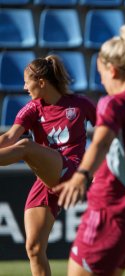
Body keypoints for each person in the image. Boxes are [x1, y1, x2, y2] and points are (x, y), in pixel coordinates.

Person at [52, 25, 125, 276]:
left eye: (101, 73)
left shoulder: (113, 103)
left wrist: (82, 175)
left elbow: (102, 142)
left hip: (110, 212)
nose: (101, 80)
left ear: (112, 70)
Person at [0, 55, 96, 276]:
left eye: (27, 81)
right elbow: (8, 139)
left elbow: (107, 133)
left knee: (26, 146)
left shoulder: (80, 104)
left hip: (70, 170)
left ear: (41, 81)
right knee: (33, 248)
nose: (24, 87)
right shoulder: (33, 108)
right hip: (46, 179)